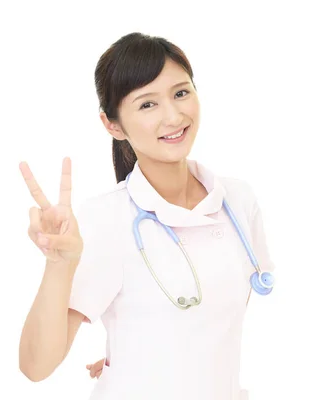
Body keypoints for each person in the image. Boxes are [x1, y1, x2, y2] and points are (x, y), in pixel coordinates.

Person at [18, 32, 275, 400]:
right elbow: (35, 367)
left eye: (181, 93)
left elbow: (223, 307)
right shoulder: (104, 219)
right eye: (147, 104)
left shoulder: (238, 200)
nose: (173, 115)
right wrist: (59, 264)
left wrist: (144, 353)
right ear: (113, 125)